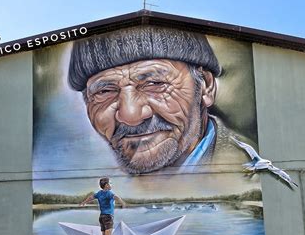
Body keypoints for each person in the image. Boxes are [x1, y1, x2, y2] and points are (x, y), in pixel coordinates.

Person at [68, 26, 247, 175]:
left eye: (155, 83)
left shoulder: (250, 173)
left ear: (206, 87)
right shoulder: (100, 180)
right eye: (105, 91)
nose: (131, 115)